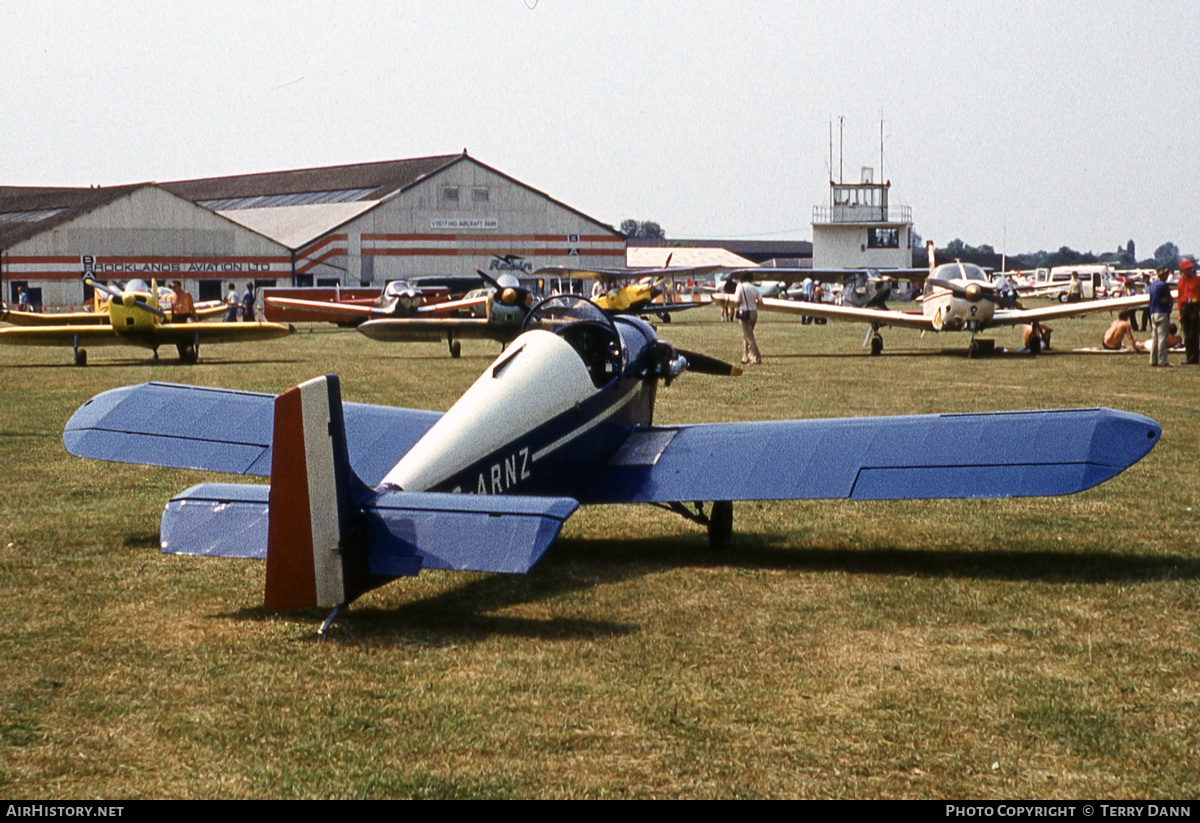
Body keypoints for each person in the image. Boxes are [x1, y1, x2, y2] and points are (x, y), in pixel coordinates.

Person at [733, 272, 763, 365]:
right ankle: (745, 356)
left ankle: (756, 357)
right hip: (754, 312)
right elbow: (760, 302)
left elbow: (737, 300)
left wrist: (738, 305)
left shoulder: (740, 286)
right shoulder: (755, 288)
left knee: (749, 336)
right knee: (746, 334)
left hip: (744, 312)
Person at [1147, 267, 1173, 367]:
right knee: (1162, 338)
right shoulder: (1164, 285)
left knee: (1155, 338)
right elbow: (1168, 299)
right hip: (1162, 312)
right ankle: (1162, 360)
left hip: (1153, 312)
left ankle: (1153, 360)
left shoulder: (1153, 285)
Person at [1176, 259, 1199, 364]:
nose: (1189, 271)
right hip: (1185, 307)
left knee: (1194, 333)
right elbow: (1179, 298)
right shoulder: (1180, 282)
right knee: (1187, 334)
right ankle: (1189, 357)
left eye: (1190, 269)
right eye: (1187, 269)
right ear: (1182, 271)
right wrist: (1180, 313)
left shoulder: (1197, 280)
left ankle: (1195, 358)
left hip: (1195, 306)